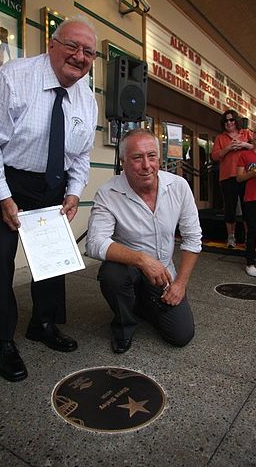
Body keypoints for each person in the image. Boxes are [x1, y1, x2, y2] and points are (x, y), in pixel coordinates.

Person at [0, 17, 98, 382]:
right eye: (72, 46)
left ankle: (43, 323)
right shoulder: (15, 77)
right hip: (2, 172)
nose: (79, 56)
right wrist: (4, 198)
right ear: (52, 45)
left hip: (51, 178)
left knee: (52, 254)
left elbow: (81, 156)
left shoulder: (87, 99)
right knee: (2, 251)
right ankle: (1, 337)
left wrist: (73, 193)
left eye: (88, 51)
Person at [86, 129, 202, 354]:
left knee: (181, 335)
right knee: (112, 275)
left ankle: (140, 304)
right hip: (128, 270)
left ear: (159, 159)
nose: (146, 165)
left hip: (164, 274)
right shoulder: (108, 192)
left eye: (152, 156)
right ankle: (123, 325)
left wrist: (180, 284)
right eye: (137, 158)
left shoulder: (178, 186)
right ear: (123, 162)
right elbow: (95, 242)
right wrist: (141, 260)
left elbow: (193, 238)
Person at [211, 110, 253, 248]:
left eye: (231, 120)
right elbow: (215, 156)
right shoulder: (220, 138)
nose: (229, 123)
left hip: (246, 176)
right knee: (230, 208)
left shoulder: (246, 133)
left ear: (236, 121)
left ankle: (249, 238)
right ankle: (231, 237)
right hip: (227, 177)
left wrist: (244, 145)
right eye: (226, 121)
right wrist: (228, 148)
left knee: (248, 209)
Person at [237, 123, 256, 277]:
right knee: (252, 230)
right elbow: (239, 178)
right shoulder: (245, 155)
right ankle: (249, 262)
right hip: (251, 197)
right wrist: (252, 174)